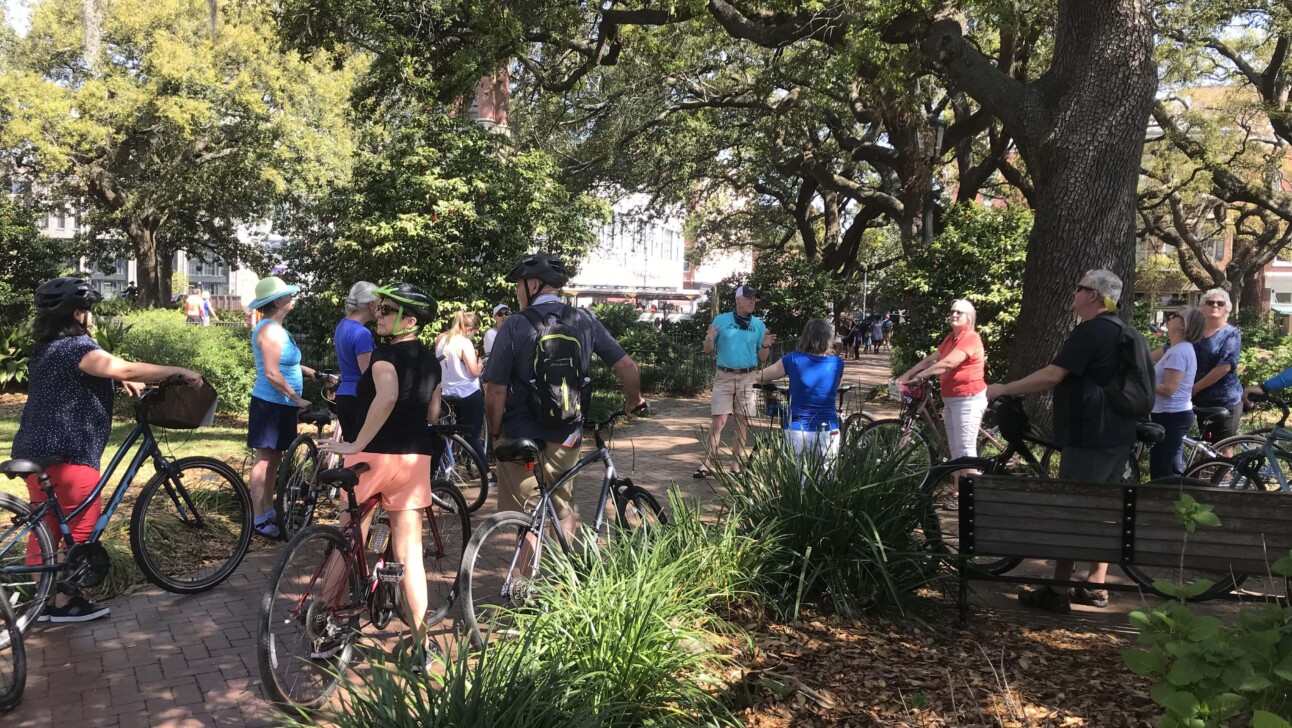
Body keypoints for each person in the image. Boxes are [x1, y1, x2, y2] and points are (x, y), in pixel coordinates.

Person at [12, 277, 203, 622]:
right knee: (82, 529)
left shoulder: (45, 349)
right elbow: (123, 366)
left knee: (48, 528)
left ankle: (44, 602)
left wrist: (116, 377)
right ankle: (64, 602)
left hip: (36, 448)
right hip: (70, 452)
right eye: (90, 311)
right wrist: (178, 370)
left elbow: (99, 372)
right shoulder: (78, 349)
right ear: (78, 313)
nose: (93, 317)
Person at [984, 269, 1137, 613]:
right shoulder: (1122, 331)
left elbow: (1053, 375)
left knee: (1073, 511)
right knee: (1104, 511)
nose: (1074, 293)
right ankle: (1095, 586)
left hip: (1089, 437)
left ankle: (1056, 590)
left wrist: (1004, 388)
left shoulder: (1091, 332)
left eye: (1079, 288)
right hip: (1118, 435)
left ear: (1093, 295)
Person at [318, 282, 442, 668]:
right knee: (410, 553)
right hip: (414, 460)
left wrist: (355, 445)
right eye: (381, 307)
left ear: (410, 320)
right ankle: (422, 645)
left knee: (349, 538)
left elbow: (386, 396)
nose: (380, 314)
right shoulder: (431, 361)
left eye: (388, 310)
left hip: (373, 458)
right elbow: (433, 414)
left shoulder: (385, 357)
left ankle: (324, 627)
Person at [483, 252, 644, 545]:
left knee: (527, 516)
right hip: (566, 431)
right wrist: (634, 400)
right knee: (564, 506)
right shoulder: (584, 320)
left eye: (518, 285)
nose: (517, 292)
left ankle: (521, 585)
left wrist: (495, 434)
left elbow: (495, 389)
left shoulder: (513, 326)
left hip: (519, 432)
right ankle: (563, 582)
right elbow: (627, 366)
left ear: (533, 284)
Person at [247, 276, 323, 539]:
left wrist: (307, 371)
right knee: (264, 460)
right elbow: (270, 372)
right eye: (287, 295)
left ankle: (268, 511)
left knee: (274, 459)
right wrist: (296, 398)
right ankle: (258, 517)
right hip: (270, 404)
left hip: (281, 405)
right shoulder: (267, 330)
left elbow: (284, 363)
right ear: (277, 301)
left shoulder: (278, 329)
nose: (292, 298)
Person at [696, 285, 776, 478]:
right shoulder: (721, 320)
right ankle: (708, 462)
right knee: (719, 421)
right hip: (724, 375)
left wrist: (765, 345)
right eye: (748, 297)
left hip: (748, 376)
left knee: (742, 421)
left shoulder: (759, 324)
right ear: (737, 299)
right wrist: (709, 339)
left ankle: (736, 464)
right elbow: (707, 349)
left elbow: (763, 357)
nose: (752, 301)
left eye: (754, 298)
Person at [898, 299, 987, 459]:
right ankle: (959, 483)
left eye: (958, 312)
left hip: (967, 399)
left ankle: (973, 483)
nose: (954, 314)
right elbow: (931, 360)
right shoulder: (951, 338)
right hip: (951, 400)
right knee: (955, 453)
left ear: (969, 317)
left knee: (965, 453)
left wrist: (920, 376)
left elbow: (948, 363)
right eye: (952, 311)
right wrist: (907, 374)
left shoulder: (970, 338)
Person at [755, 319, 845, 465]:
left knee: (797, 480)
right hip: (829, 429)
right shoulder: (838, 363)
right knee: (827, 479)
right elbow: (834, 388)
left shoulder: (793, 359)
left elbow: (761, 376)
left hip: (798, 428)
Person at [1148, 306, 1204, 479]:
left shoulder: (1179, 352)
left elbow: (1169, 389)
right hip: (1168, 414)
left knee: (1160, 471)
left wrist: (1142, 383)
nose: (1170, 317)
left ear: (1183, 325)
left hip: (1172, 416)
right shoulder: (1175, 349)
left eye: (1176, 315)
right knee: (1169, 468)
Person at [435, 311, 486, 465]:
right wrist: (480, 363)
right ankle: (487, 474)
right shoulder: (464, 343)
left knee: (444, 433)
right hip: (467, 393)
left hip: (445, 393)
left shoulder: (441, 339)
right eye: (474, 331)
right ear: (469, 328)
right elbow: (474, 372)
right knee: (473, 437)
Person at [1192, 288, 1243, 442]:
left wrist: (1194, 388)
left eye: (1220, 303)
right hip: (1201, 401)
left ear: (1226, 308)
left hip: (1225, 401)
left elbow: (1224, 367)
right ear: (1203, 307)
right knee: (1207, 448)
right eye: (1210, 302)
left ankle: (1228, 467)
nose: (1215, 306)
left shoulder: (1231, 334)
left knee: (1223, 449)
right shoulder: (1195, 333)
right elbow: (1173, 349)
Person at [334, 281, 380, 440]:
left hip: (343, 395)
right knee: (364, 454)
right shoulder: (362, 333)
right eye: (379, 304)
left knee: (351, 454)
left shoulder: (342, 325)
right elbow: (367, 373)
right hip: (359, 398)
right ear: (371, 304)